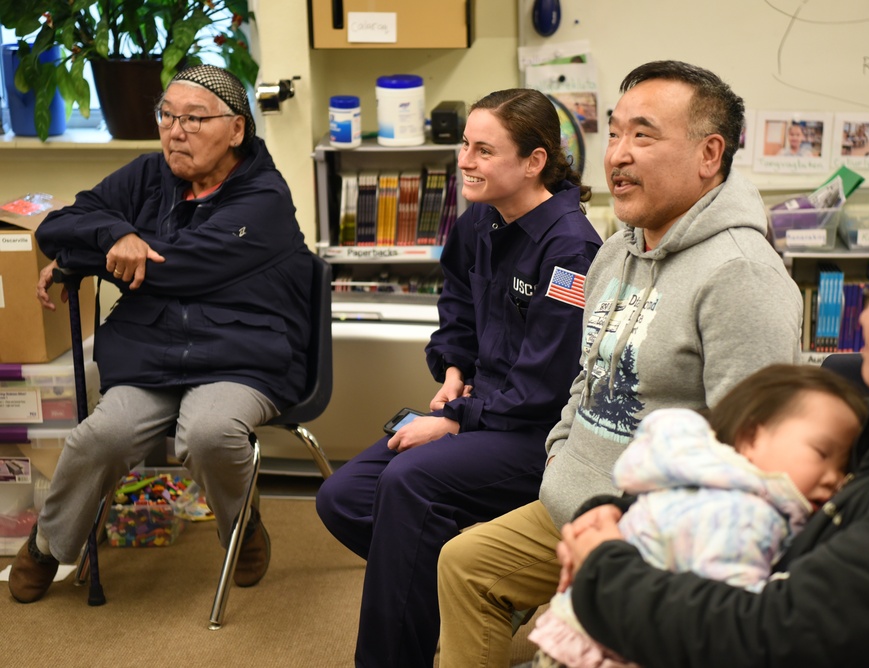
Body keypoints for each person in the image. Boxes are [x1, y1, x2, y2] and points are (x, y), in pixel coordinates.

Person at [436, 60, 804, 668]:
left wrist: (623, 531)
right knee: (465, 564)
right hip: (569, 499)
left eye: (644, 135)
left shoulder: (742, 276)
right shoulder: (613, 253)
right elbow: (588, 372)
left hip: (655, 532)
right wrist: (559, 450)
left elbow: (752, 455)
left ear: (710, 154)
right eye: (614, 133)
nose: (618, 155)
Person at [559, 209, 869, 668]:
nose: (863, 317)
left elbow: (760, 638)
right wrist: (613, 514)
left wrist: (603, 565)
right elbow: (722, 465)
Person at [314, 88, 603, 668]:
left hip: (536, 435)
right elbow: (457, 307)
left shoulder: (571, 247)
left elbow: (543, 390)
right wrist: (452, 370)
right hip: (478, 408)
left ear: (534, 161)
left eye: (483, 150)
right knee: (343, 497)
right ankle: (463, 589)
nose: (464, 161)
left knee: (408, 482)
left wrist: (450, 421)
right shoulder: (480, 220)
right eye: (464, 145)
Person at [9, 64, 313, 603]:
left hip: (240, 353)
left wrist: (82, 259)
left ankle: (241, 531)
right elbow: (59, 223)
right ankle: (47, 545)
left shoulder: (264, 197)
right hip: (153, 352)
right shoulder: (149, 175)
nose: (176, 130)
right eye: (167, 116)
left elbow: (176, 265)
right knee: (101, 437)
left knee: (208, 433)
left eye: (195, 119)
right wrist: (116, 233)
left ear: (237, 129)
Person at [528, 364, 867, 668]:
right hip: (614, 647)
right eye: (822, 453)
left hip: (582, 628)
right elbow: (727, 626)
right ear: (751, 437)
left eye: (843, 470)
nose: (833, 479)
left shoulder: (694, 472)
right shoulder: (746, 517)